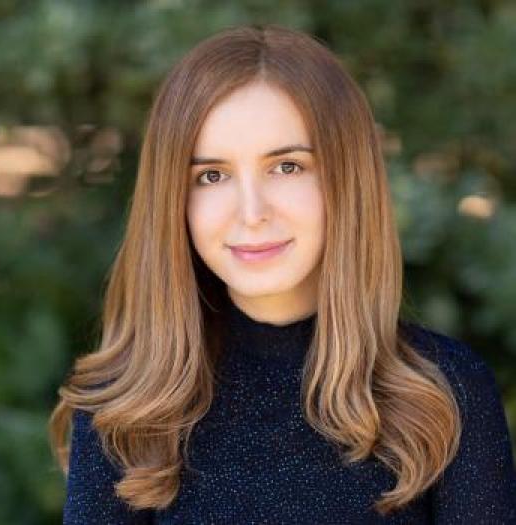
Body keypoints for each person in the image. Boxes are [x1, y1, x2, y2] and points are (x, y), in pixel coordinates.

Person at [49, 23, 516, 524]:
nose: (251, 212)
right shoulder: (124, 414)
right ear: (174, 203)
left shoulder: (446, 393)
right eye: (211, 176)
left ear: (347, 177)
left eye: (287, 166)